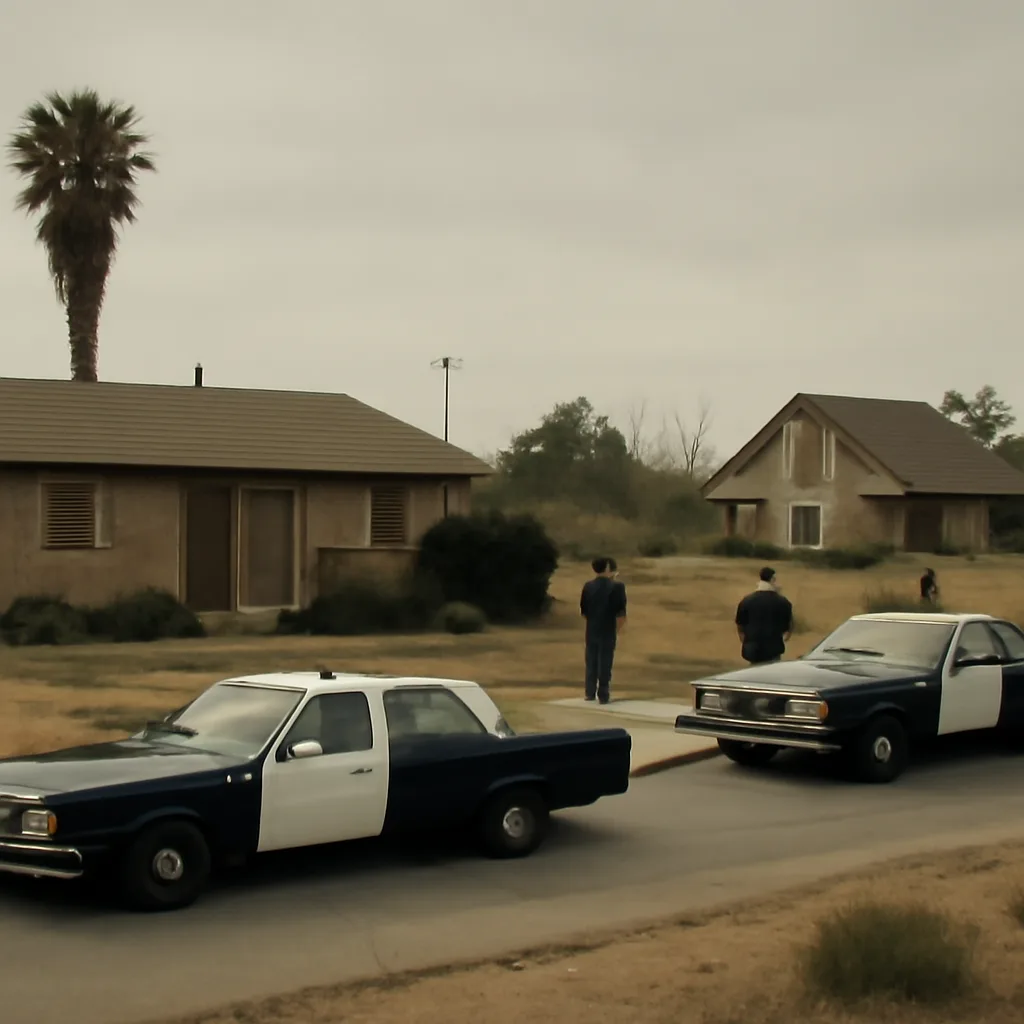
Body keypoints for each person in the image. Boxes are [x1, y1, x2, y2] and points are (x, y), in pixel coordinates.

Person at [580, 556, 627, 704]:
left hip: (592, 628)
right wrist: (617, 630)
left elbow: (584, 611)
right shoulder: (617, 587)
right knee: (605, 662)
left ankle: (589, 692)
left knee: (591, 661)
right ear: (607, 568)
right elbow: (621, 613)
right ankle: (603, 693)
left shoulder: (588, 586)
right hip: (608, 628)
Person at [735, 566, 793, 666]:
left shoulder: (747, 601)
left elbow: (740, 624)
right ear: (773, 579)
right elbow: (789, 625)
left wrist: (745, 640)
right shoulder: (782, 602)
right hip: (773, 648)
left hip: (752, 648)